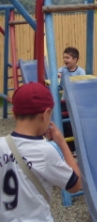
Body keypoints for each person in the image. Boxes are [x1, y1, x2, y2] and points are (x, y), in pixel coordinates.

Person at [0, 82, 82, 221]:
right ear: (45, 114)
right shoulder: (45, 151)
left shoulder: (1, 144)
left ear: (14, 114)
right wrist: (62, 143)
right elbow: (75, 185)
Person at [57, 46, 85, 153]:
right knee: (63, 121)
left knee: (75, 122)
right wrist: (59, 74)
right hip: (65, 100)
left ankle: (75, 145)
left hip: (77, 101)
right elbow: (58, 72)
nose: (65, 60)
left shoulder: (80, 72)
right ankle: (67, 145)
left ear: (75, 59)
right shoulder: (63, 69)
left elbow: (82, 85)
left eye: (67, 58)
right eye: (64, 57)